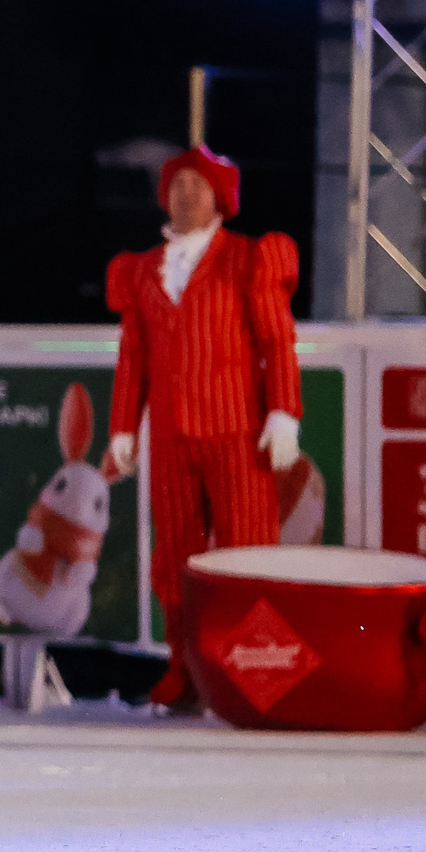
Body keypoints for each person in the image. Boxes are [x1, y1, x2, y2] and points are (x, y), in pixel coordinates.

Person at [105, 145, 302, 712]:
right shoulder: (144, 270)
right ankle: (185, 665)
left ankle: (253, 666)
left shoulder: (247, 259)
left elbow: (275, 340)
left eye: (199, 185)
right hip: (169, 436)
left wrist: (284, 411)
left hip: (236, 430)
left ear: (221, 198)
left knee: (247, 550)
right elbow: (134, 356)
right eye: (177, 185)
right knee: (176, 558)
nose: (186, 194)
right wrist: (124, 427)